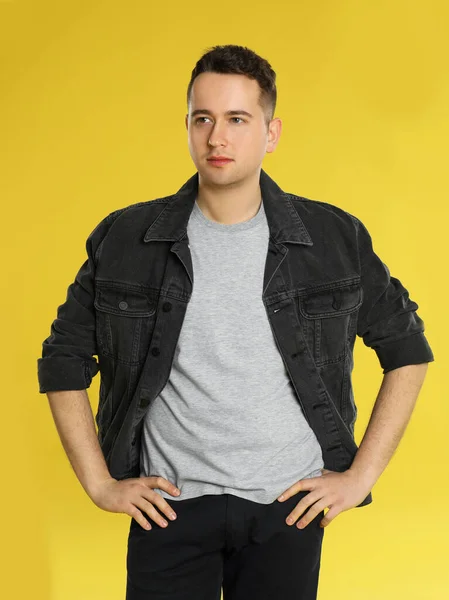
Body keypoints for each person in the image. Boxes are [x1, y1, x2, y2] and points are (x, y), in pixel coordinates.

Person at [37, 44, 434, 600]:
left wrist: (360, 477)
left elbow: (407, 350)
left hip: (286, 511)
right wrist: (101, 485)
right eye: (204, 118)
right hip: (169, 511)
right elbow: (63, 359)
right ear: (189, 126)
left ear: (271, 133)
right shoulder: (127, 238)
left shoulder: (333, 238)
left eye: (237, 120)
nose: (217, 137)